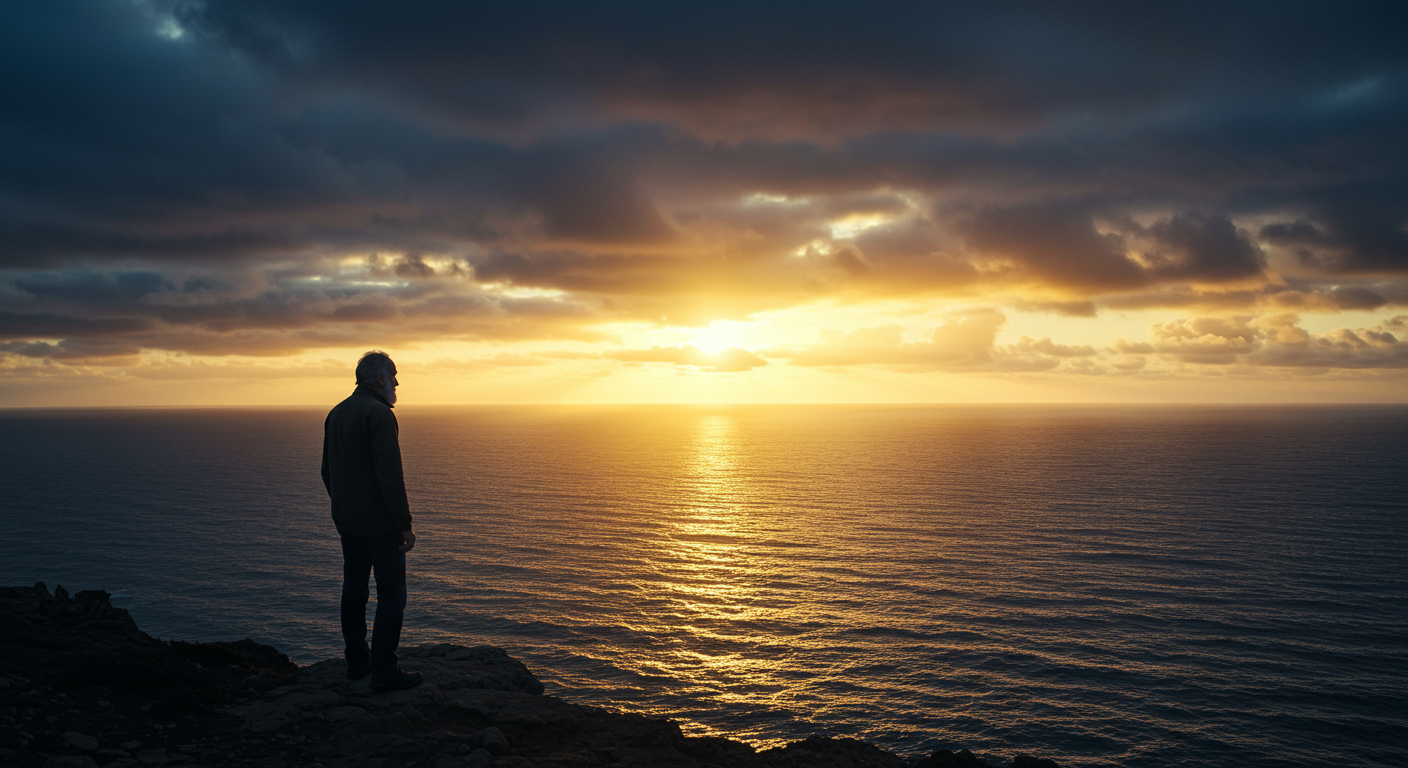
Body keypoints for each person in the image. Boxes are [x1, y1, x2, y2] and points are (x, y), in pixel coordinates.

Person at [321, 350, 424, 692]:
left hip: (347, 521)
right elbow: (390, 477)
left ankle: (356, 663)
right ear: (378, 379)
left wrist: (345, 506)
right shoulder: (379, 414)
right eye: (393, 375)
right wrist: (404, 524)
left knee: (354, 590)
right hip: (379, 525)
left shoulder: (336, 413)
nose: (397, 382)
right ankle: (383, 671)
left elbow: (326, 472)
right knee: (392, 594)